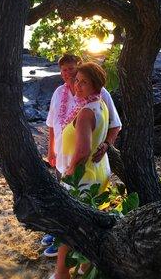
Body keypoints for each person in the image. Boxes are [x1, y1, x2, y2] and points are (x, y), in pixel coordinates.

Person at [42, 55, 121, 257]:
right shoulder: (59, 92)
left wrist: (105, 145)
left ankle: (68, 247)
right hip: (62, 157)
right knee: (63, 201)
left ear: (78, 69)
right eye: (64, 71)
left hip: (81, 166)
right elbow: (52, 124)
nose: (68, 75)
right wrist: (51, 150)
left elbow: (115, 125)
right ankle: (59, 235)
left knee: (77, 206)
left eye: (72, 70)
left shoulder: (100, 95)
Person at [50, 62, 111, 279]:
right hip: (97, 172)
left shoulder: (86, 112)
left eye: (84, 82)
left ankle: (61, 274)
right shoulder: (99, 105)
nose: (77, 85)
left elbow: (84, 150)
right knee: (90, 225)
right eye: (77, 80)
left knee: (69, 227)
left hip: (83, 177)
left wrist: (69, 171)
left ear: (96, 85)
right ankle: (86, 268)